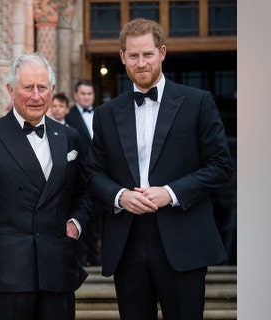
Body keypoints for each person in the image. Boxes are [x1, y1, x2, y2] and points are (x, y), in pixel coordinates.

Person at [86, 18, 233, 320]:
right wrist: (119, 196)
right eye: (134, 55)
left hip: (184, 237)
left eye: (148, 54)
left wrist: (170, 192)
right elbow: (92, 173)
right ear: (122, 57)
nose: (141, 63)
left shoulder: (198, 103)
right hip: (127, 242)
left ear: (162, 52)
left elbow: (220, 166)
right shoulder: (105, 114)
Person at [0, 52, 91, 320]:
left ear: (52, 90)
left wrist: (76, 222)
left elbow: (85, 192)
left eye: (42, 87)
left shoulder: (69, 137)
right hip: (7, 273)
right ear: (10, 90)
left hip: (57, 269)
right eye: (27, 87)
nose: (36, 96)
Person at [65, 79, 102, 266]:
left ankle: (95, 257)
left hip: (101, 176)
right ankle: (82, 258)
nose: (87, 97)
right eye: (83, 94)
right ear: (76, 96)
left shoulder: (101, 114)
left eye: (90, 94)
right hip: (80, 175)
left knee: (98, 218)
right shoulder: (69, 117)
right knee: (80, 216)